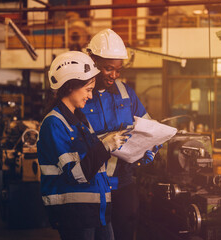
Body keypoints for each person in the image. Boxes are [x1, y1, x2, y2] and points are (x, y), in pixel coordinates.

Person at [37, 51, 129, 240]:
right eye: (87, 89)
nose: (90, 96)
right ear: (71, 86)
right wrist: (105, 146)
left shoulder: (80, 120)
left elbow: (93, 161)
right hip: (75, 215)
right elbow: (76, 174)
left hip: (97, 211)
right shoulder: (54, 124)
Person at [82, 29, 162, 240]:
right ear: (93, 61)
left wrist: (150, 147)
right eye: (108, 69)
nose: (114, 75)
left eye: (118, 69)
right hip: (91, 185)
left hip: (123, 183)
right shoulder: (80, 96)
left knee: (125, 232)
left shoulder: (126, 93)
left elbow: (148, 126)